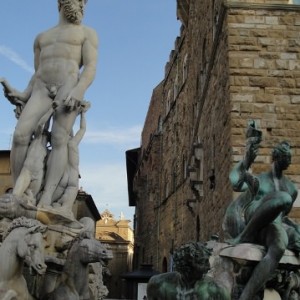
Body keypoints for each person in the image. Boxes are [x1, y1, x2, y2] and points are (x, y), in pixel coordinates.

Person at [2, 0, 98, 208]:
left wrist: (78, 90)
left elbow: (90, 68)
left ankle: (46, 196)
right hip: (41, 87)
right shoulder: (42, 38)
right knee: (20, 135)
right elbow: (37, 73)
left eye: (84, 4)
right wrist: (22, 94)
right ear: (61, 3)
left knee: (58, 137)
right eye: (77, 2)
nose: (81, 6)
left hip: (69, 85)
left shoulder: (87, 33)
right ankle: (19, 193)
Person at [228, 124, 298, 300]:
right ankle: (244, 236)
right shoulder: (260, 180)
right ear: (277, 157)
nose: (290, 160)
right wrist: (245, 160)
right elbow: (235, 182)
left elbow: (284, 216)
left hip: (273, 226)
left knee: (280, 244)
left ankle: (246, 296)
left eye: (290, 157)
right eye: (286, 156)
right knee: (283, 198)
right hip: (254, 218)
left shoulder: (292, 188)